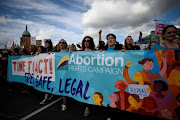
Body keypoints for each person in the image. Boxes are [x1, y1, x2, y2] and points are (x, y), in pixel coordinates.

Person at [81, 36, 95, 117]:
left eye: (88, 41)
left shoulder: (94, 51)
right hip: (83, 75)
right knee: (85, 91)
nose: (86, 42)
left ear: (91, 42)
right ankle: (87, 107)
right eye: (85, 41)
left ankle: (90, 105)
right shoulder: (80, 52)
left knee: (91, 90)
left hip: (92, 75)